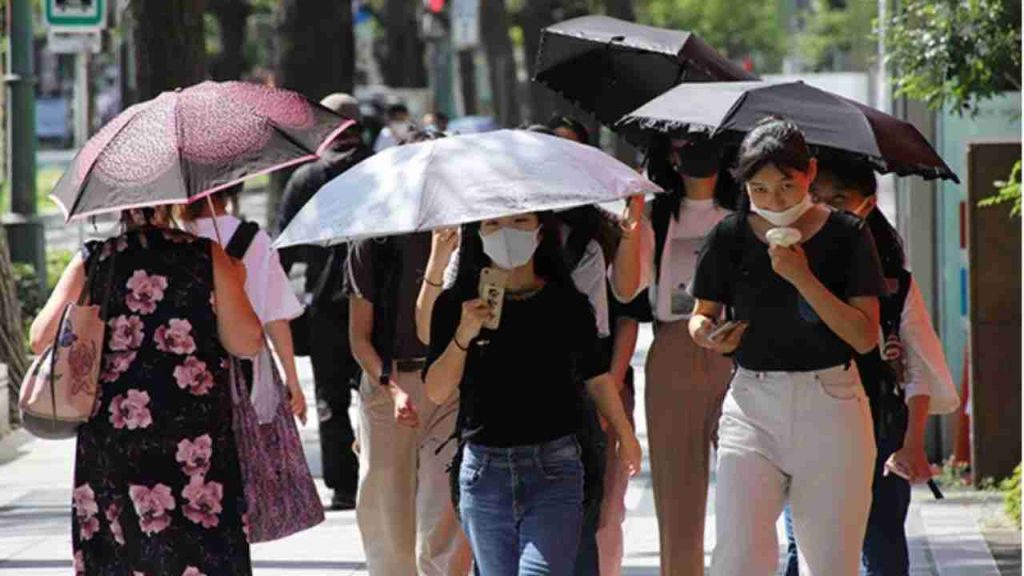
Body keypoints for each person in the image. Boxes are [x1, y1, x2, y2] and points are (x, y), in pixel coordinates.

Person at [689, 117, 886, 576]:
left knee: (831, 562)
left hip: (832, 401)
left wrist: (802, 277)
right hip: (752, 403)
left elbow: (863, 336)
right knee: (737, 558)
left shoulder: (847, 235)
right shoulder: (729, 235)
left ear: (810, 174)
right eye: (758, 189)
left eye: (785, 186)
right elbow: (702, 314)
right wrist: (708, 335)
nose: (773, 201)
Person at [31, 206, 263, 576]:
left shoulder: (95, 258)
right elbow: (248, 341)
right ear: (175, 202)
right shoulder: (207, 254)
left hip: (113, 432)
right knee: (200, 545)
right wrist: (237, 280)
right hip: (194, 436)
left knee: (120, 551)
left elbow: (40, 337)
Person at [423, 210, 643, 576]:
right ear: (477, 233)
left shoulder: (567, 303)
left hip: (555, 468)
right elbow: (437, 390)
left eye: (520, 222)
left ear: (540, 232)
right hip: (484, 472)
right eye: (492, 223)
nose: (506, 233)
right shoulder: (455, 305)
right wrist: (464, 333)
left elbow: (597, 377)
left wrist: (625, 434)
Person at [780, 155, 959, 576]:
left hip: (879, 432)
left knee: (881, 549)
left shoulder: (896, 283)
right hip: (806, 428)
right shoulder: (786, 270)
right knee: (800, 548)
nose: (827, 208)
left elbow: (918, 369)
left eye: (839, 197)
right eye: (817, 197)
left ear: (867, 204)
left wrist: (911, 443)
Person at [347, 130, 469, 576]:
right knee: (388, 516)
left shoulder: (468, 232)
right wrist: (391, 388)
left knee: (443, 513)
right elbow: (359, 337)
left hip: (450, 382)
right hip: (389, 384)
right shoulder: (373, 238)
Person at [637, 134, 737, 576]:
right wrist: (631, 222)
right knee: (677, 493)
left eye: (706, 141)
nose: (695, 151)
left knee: (748, 490)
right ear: (670, 154)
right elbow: (628, 289)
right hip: (674, 347)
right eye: (683, 143)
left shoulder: (746, 210)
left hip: (740, 349)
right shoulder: (656, 214)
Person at [277, 93, 371, 510]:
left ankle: (343, 484)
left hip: (324, 305)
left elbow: (284, 249)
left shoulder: (305, 178)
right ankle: (380, 472)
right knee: (378, 388)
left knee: (331, 397)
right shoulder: (379, 171)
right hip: (375, 299)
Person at [179, 185, 307, 422]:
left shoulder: (173, 240)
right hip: (248, 368)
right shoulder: (254, 240)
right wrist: (293, 381)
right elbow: (275, 316)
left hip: (185, 372)